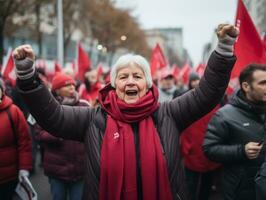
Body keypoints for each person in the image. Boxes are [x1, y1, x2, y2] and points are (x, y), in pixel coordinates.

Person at [14, 24, 238, 200]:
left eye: (138, 76)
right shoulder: (93, 119)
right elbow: (52, 116)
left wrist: (224, 49)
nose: (130, 81)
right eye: (123, 77)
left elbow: (206, 95)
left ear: (148, 84)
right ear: (114, 85)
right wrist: (27, 75)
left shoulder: (169, 114)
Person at [203, 64, 266, 200]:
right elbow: (209, 149)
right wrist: (242, 151)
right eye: (263, 83)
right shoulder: (224, 115)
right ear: (246, 86)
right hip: (241, 191)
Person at [35, 73, 89, 200]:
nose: (72, 87)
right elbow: (39, 134)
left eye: (72, 84)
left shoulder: (84, 106)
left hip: (80, 169)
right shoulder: (46, 108)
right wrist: (59, 135)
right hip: (56, 170)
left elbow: (92, 131)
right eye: (67, 85)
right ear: (57, 90)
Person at [180, 72, 222, 200]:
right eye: (194, 80)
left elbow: (219, 124)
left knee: (206, 185)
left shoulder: (215, 101)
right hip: (192, 151)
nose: (197, 83)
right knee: (190, 185)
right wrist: (185, 147)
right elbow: (181, 126)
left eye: (199, 80)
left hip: (209, 150)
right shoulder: (184, 100)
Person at [0, 78, 32, 200]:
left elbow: (24, 142)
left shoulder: (13, 111)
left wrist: (24, 168)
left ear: (2, 91)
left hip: (9, 177)